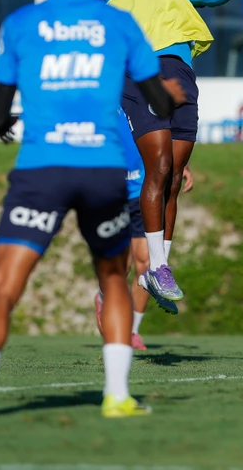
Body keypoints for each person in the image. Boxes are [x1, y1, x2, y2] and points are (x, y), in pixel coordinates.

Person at [0, 0, 182, 422]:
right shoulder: (118, 22)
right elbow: (157, 101)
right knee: (112, 281)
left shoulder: (21, 23)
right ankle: (117, 395)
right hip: (102, 169)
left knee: (3, 286)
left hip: (41, 170)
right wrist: (171, 93)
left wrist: (11, 124)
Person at [90, 0, 243, 308]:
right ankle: (157, 267)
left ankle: (157, 269)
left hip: (180, 73)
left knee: (175, 177)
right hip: (141, 73)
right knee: (159, 168)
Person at [95, 110, 175, 349]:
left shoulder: (147, 88)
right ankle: (103, 298)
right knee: (122, 264)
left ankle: (131, 330)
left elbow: (164, 128)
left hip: (144, 188)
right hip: (111, 186)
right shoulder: (106, 86)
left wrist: (181, 164)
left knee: (146, 262)